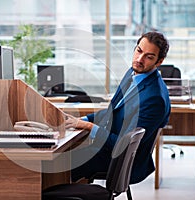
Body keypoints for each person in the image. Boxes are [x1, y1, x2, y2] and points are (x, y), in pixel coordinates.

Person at [65, 31, 171, 184]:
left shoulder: (154, 98)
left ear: (159, 61)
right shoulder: (133, 72)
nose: (139, 59)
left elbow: (124, 145)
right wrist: (84, 119)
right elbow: (113, 111)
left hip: (121, 161)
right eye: (139, 51)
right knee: (64, 154)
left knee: (59, 162)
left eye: (149, 57)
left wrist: (88, 126)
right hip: (108, 150)